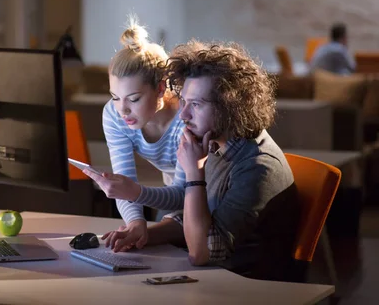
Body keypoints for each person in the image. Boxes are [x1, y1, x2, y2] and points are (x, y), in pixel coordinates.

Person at [100, 40, 300, 281]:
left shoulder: (258, 167)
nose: (183, 115)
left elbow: (201, 251)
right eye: (183, 102)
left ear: (230, 107)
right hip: (213, 277)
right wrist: (141, 236)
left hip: (246, 286)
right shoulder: (217, 143)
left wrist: (194, 174)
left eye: (195, 105)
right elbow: (191, 219)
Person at [81, 19, 186, 250]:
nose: (123, 110)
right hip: (173, 199)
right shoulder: (114, 114)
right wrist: (136, 221)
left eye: (134, 99)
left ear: (160, 88)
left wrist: (136, 193)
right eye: (115, 97)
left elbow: (184, 194)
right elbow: (124, 178)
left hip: (214, 197)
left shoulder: (188, 117)